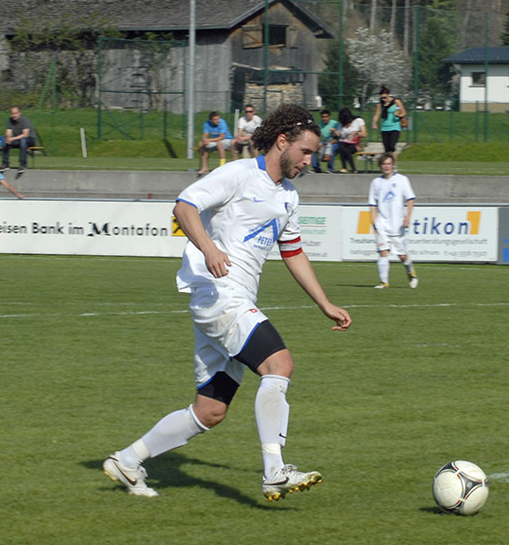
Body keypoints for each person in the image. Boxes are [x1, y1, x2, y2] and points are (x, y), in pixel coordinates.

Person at [102, 104, 352, 501]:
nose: (309, 160)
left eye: (313, 154)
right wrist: (209, 248)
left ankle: (128, 461)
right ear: (282, 142)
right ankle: (274, 471)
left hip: (232, 300)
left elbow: (293, 252)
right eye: (305, 151)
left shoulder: (289, 197)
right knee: (280, 364)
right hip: (219, 294)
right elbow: (184, 206)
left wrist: (324, 303)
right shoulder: (238, 174)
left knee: (210, 410)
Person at [369, 154, 418, 289]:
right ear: (380, 166)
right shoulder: (376, 182)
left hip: (397, 225)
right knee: (383, 251)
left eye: (389, 163)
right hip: (382, 223)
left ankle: (411, 272)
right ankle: (384, 282)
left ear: (393, 165)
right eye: (384, 164)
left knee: (402, 256)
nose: (386, 166)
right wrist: (373, 221)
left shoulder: (402, 180)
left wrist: (407, 217)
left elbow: (411, 199)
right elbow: (372, 204)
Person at [371, 86, 406, 160]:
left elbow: (403, 112)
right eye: (382, 97)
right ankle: (387, 162)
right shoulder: (380, 104)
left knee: (392, 146)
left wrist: (399, 115)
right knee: (386, 148)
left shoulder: (396, 102)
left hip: (395, 126)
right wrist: (374, 123)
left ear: (388, 95)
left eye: (385, 97)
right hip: (385, 127)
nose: (383, 99)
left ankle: (394, 163)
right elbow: (377, 114)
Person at [197, 111, 232, 176]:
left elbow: (222, 137)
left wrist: (209, 140)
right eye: (215, 120)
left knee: (219, 143)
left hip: (227, 140)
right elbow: (205, 135)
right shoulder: (207, 123)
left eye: (218, 119)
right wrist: (204, 140)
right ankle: (204, 167)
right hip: (215, 141)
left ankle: (222, 166)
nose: (217, 121)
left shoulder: (222, 122)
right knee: (201, 144)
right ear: (211, 120)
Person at [3, 105, 38, 172]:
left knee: (23, 141)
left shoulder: (25, 120)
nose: (14, 115)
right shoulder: (10, 120)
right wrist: (8, 138)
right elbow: (8, 131)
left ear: (19, 113)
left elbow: (25, 134)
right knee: (4, 141)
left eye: (15, 113)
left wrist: (12, 139)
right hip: (18, 139)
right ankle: (5, 163)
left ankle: (22, 164)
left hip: (30, 139)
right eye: (12, 113)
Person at [336, 107, 364, 173]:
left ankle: (352, 168)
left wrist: (356, 133)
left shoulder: (358, 121)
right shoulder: (341, 124)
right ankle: (345, 168)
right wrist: (336, 133)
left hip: (355, 144)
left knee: (346, 149)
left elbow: (364, 134)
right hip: (345, 143)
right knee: (342, 146)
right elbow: (341, 136)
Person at [315, 108, 341, 173]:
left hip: (335, 142)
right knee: (313, 148)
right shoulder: (320, 124)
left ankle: (330, 168)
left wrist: (335, 132)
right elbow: (318, 136)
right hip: (325, 142)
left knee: (331, 148)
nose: (324, 119)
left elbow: (337, 137)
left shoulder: (335, 124)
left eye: (326, 117)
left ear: (329, 117)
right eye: (323, 117)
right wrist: (318, 144)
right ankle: (316, 168)